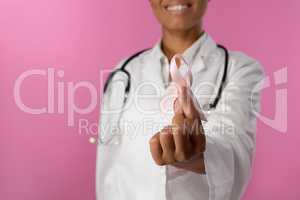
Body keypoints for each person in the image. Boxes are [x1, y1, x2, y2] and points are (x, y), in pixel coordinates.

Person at [96, 0, 264, 200]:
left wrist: (198, 154)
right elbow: (108, 164)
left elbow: (235, 148)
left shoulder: (240, 69)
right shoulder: (124, 71)